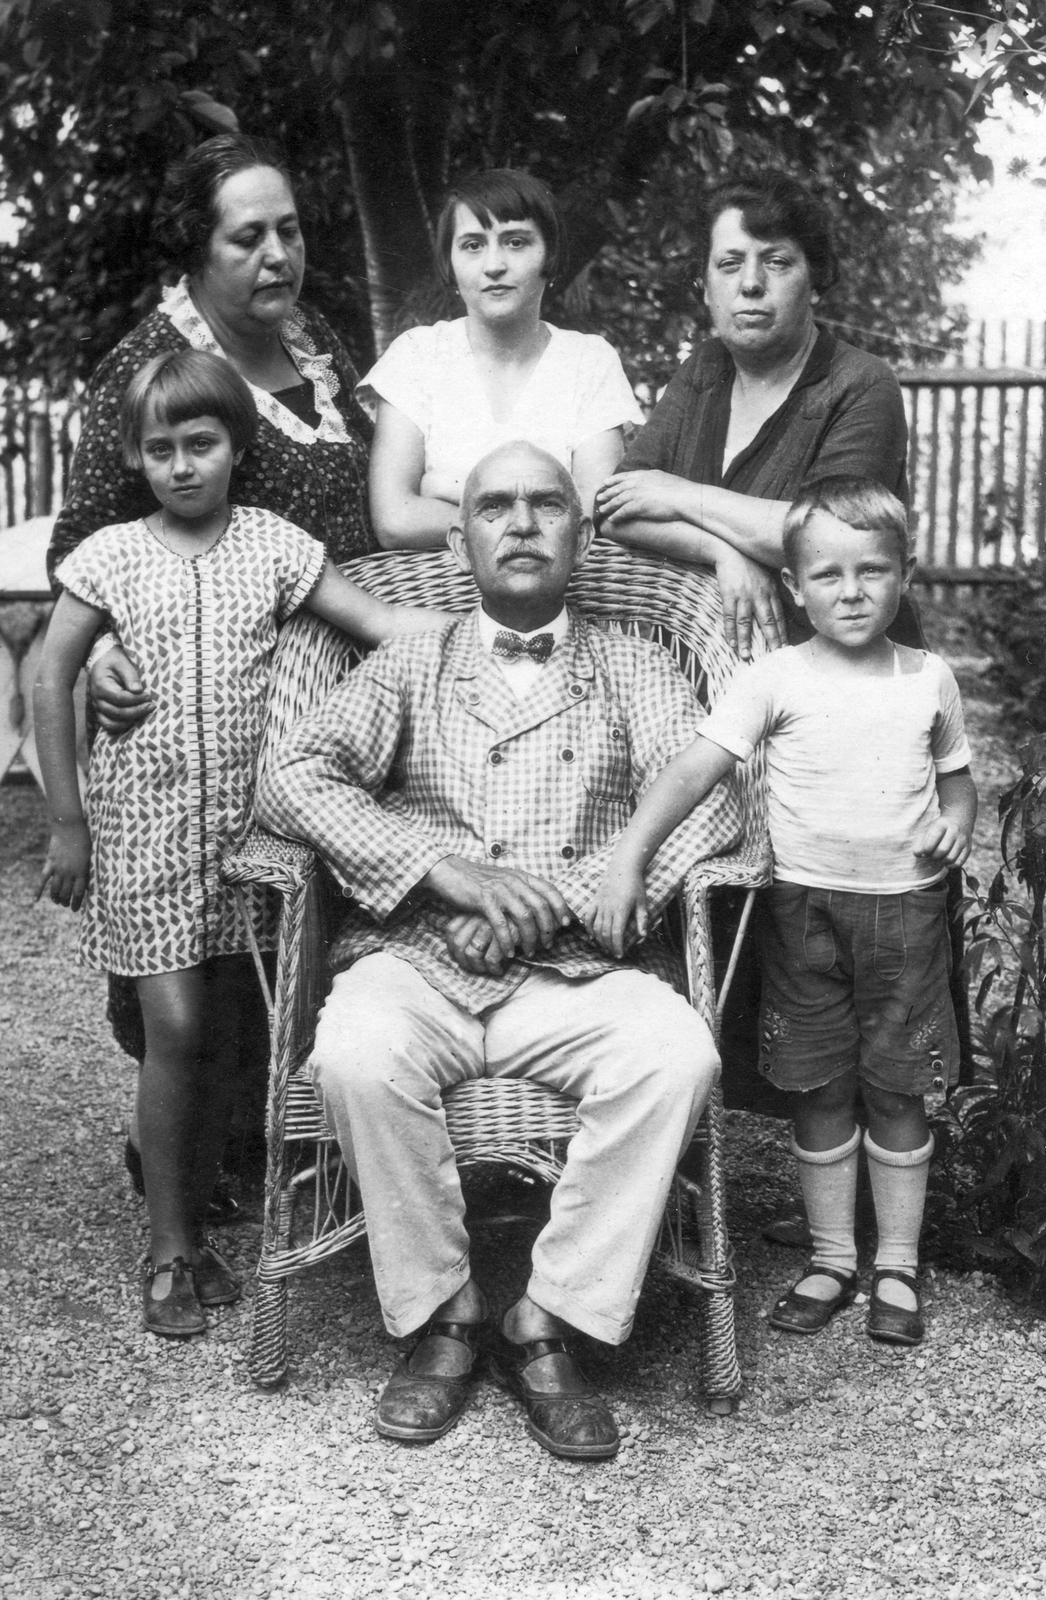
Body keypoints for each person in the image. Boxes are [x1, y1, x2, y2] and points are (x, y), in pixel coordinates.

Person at [254, 440, 742, 1456]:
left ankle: (548, 1315)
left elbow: (714, 805)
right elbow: (294, 775)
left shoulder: (636, 663)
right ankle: (445, 1309)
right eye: (495, 506)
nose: (521, 522)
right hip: (419, 957)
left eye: (546, 504)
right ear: (459, 535)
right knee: (351, 1051)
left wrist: (558, 896)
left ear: (582, 530)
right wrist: (442, 870)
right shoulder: (408, 659)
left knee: (677, 1053)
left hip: (575, 968)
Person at [34, 350, 447, 1339]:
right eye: (161, 448)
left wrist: (481, 636)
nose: (182, 465)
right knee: (173, 1027)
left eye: (201, 443)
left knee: (220, 1030)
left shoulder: (274, 545)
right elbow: (50, 678)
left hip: (243, 841)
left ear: (236, 446)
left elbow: (378, 620)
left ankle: (193, 1218)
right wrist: (64, 819)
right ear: (135, 456)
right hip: (141, 834)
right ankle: (167, 1245)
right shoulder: (111, 558)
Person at [45, 130, 380, 1155]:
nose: (278, 254)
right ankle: (186, 1147)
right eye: (249, 237)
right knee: (196, 943)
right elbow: (81, 552)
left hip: (335, 691)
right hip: (202, 705)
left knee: (302, 934)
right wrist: (104, 661)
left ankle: (298, 1128)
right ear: (197, 249)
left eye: (289, 230)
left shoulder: (318, 340)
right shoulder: (143, 374)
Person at [586, 477, 976, 1348]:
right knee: (819, 1083)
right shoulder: (773, 676)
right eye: (828, 574)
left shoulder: (928, 679)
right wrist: (632, 852)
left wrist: (956, 828)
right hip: (803, 912)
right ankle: (835, 1255)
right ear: (795, 586)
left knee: (900, 1085)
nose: (852, 590)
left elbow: (957, 780)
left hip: (905, 913)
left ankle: (898, 1265)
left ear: (903, 577)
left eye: (873, 570)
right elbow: (695, 770)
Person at [595, 172, 917, 663]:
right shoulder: (704, 369)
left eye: (777, 262)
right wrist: (723, 552)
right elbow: (616, 510)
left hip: (844, 673)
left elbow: (836, 541)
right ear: (704, 288)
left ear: (815, 282)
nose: (750, 284)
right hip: (707, 658)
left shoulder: (862, 384)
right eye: (729, 264)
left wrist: (684, 495)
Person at [360, 168, 641, 545]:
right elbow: (395, 520)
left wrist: (460, 519)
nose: (494, 265)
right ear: (450, 262)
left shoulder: (588, 361)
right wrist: (536, 523)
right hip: (430, 591)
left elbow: (591, 514)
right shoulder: (417, 356)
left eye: (515, 242)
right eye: (473, 245)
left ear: (550, 255)